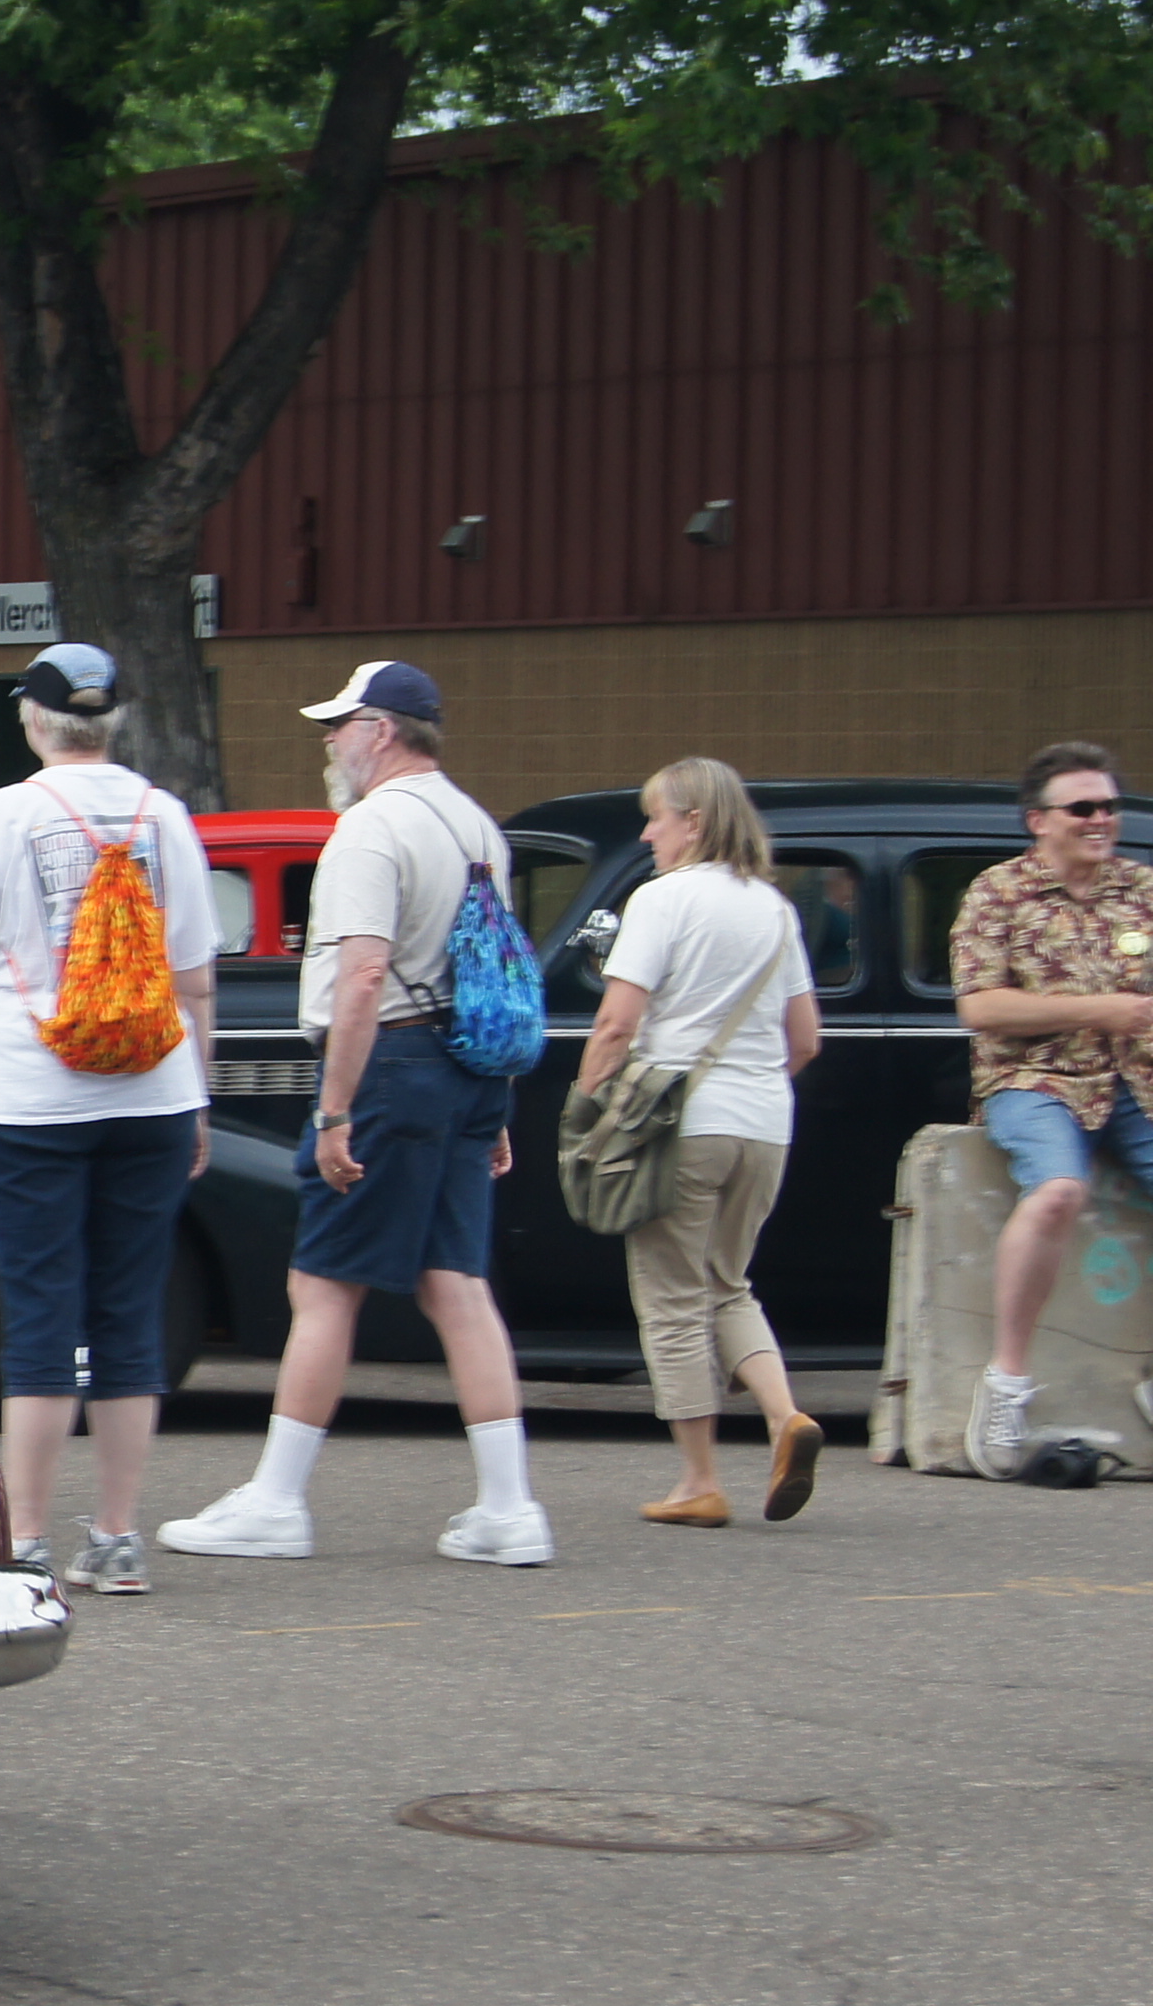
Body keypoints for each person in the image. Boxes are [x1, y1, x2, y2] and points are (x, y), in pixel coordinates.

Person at [166, 660, 549, 1565]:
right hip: (466, 1067)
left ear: (381, 731)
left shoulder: (373, 830)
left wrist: (335, 1111)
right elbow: (486, 963)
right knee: (457, 1283)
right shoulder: (477, 824)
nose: (329, 742)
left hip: (393, 1066)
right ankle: (510, 1508)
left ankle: (278, 1498)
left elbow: (364, 975)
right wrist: (487, 1106)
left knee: (323, 1282)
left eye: (339, 725)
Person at [0, 642, 219, 1593]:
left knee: (38, 1307)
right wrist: (198, 1098)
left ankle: (28, 1536)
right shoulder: (167, 817)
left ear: (33, 722)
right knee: (129, 1312)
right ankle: (117, 1537)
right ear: (112, 720)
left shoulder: (10, 811)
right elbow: (196, 980)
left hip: (27, 1094)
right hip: (156, 1091)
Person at [569, 757, 823, 1524]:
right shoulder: (776, 910)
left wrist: (585, 1108)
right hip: (766, 1124)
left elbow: (617, 1023)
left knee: (674, 1300)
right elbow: (804, 1038)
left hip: (681, 1124)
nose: (648, 834)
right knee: (726, 1283)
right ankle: (785, 1418)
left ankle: (699, 1480)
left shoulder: (662, 898)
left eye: (657, 817)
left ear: (696, 823)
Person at [947, 738, 1153, 1473]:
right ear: (1039, 820)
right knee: (1060, 1191)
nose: (1101, 819)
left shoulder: (1142, 888)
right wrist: (1102, 1008)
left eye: (1110, 806)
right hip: (1035, 1081)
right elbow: (980, 1005)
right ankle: (1005, 1387)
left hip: (1137, 1082)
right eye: (1083, 808)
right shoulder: (997, 894)